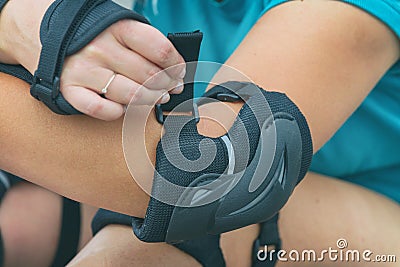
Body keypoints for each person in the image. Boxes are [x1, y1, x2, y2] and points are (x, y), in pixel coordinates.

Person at [0, 0, 399, 266]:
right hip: (172, 175)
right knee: (18, 216)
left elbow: (218, 170)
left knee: (151, 245)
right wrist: (13, 24)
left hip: (375, 224)